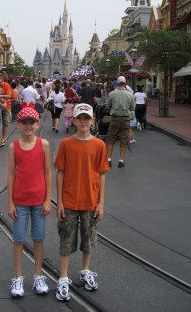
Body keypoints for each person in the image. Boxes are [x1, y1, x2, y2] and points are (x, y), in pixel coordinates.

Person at [54, 103, 109, 302]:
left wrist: (101, 202)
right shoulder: (66, 144)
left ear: (93, 120)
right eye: (80, 118)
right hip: (69, 201)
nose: (83, 121)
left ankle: (85, 270)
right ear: (74, 120)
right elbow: (60, 172)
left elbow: (102, 174)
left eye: (87, 118)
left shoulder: (99, 145)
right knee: (66, 240)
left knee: (88, 240)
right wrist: (59, 201)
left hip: (90, 201)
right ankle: (63, 276)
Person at [7, 104, 52, 298]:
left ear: (36, 124)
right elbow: (10, 175)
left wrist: (48, 200)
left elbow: (48, 173)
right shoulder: (13, 147)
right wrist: (10, 202)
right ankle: (18, 278)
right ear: (18, 125)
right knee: (18, 239)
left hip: (39, 200)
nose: (28, 126)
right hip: (20, 201)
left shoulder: (44, 144)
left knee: (38, 238)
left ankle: (38, 275)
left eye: (31, 122)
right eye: (24, 122)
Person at [105, 76, 135, 168]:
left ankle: (109, 160)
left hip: (115, 118)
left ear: (117, 84)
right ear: (125, 84)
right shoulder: (130, 94)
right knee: (124, 139)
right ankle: (121, 161)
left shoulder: (112, 94)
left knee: (110, 139)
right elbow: (132, 108)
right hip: (125, 119)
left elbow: (108, 106)